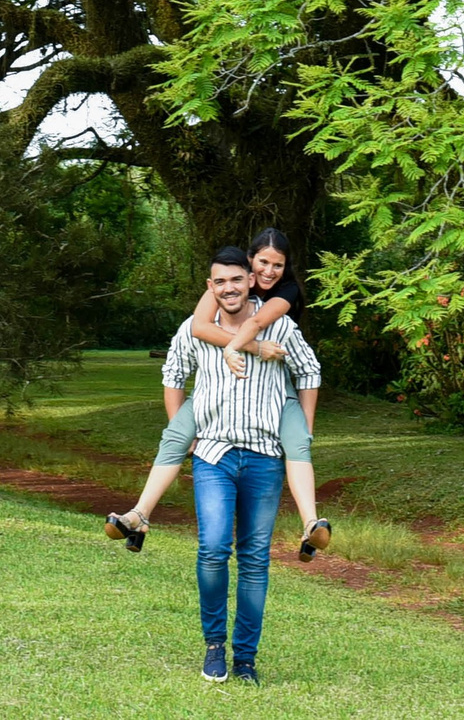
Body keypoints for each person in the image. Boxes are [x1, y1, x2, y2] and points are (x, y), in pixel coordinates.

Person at [149, 245, 323, 685]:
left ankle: (245, 658)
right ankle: (214, 647)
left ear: (251, 281)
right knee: (212, 549)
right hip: (214, 456)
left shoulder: (279, 324)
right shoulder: (195, 328)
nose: (230, 288)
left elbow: (309, 370)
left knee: (254, 559)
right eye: (220, 281)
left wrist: (303, 427)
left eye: (237, 279)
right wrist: (183, 429)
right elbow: (173, 374)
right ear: (211, 287)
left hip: (264, 458)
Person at [106, 227, 330, 559]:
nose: (269, 271)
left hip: (273, 387)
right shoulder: (226, 282)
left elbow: (257, 326)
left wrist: (306, 426)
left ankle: (311, 525)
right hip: (215, 390)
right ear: (251, 262)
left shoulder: (285, 292)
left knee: (298, 443)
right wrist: (251, 348)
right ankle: (138, 516)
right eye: (263, 263)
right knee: (174, 436)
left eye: (278, 265)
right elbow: (198, 327)